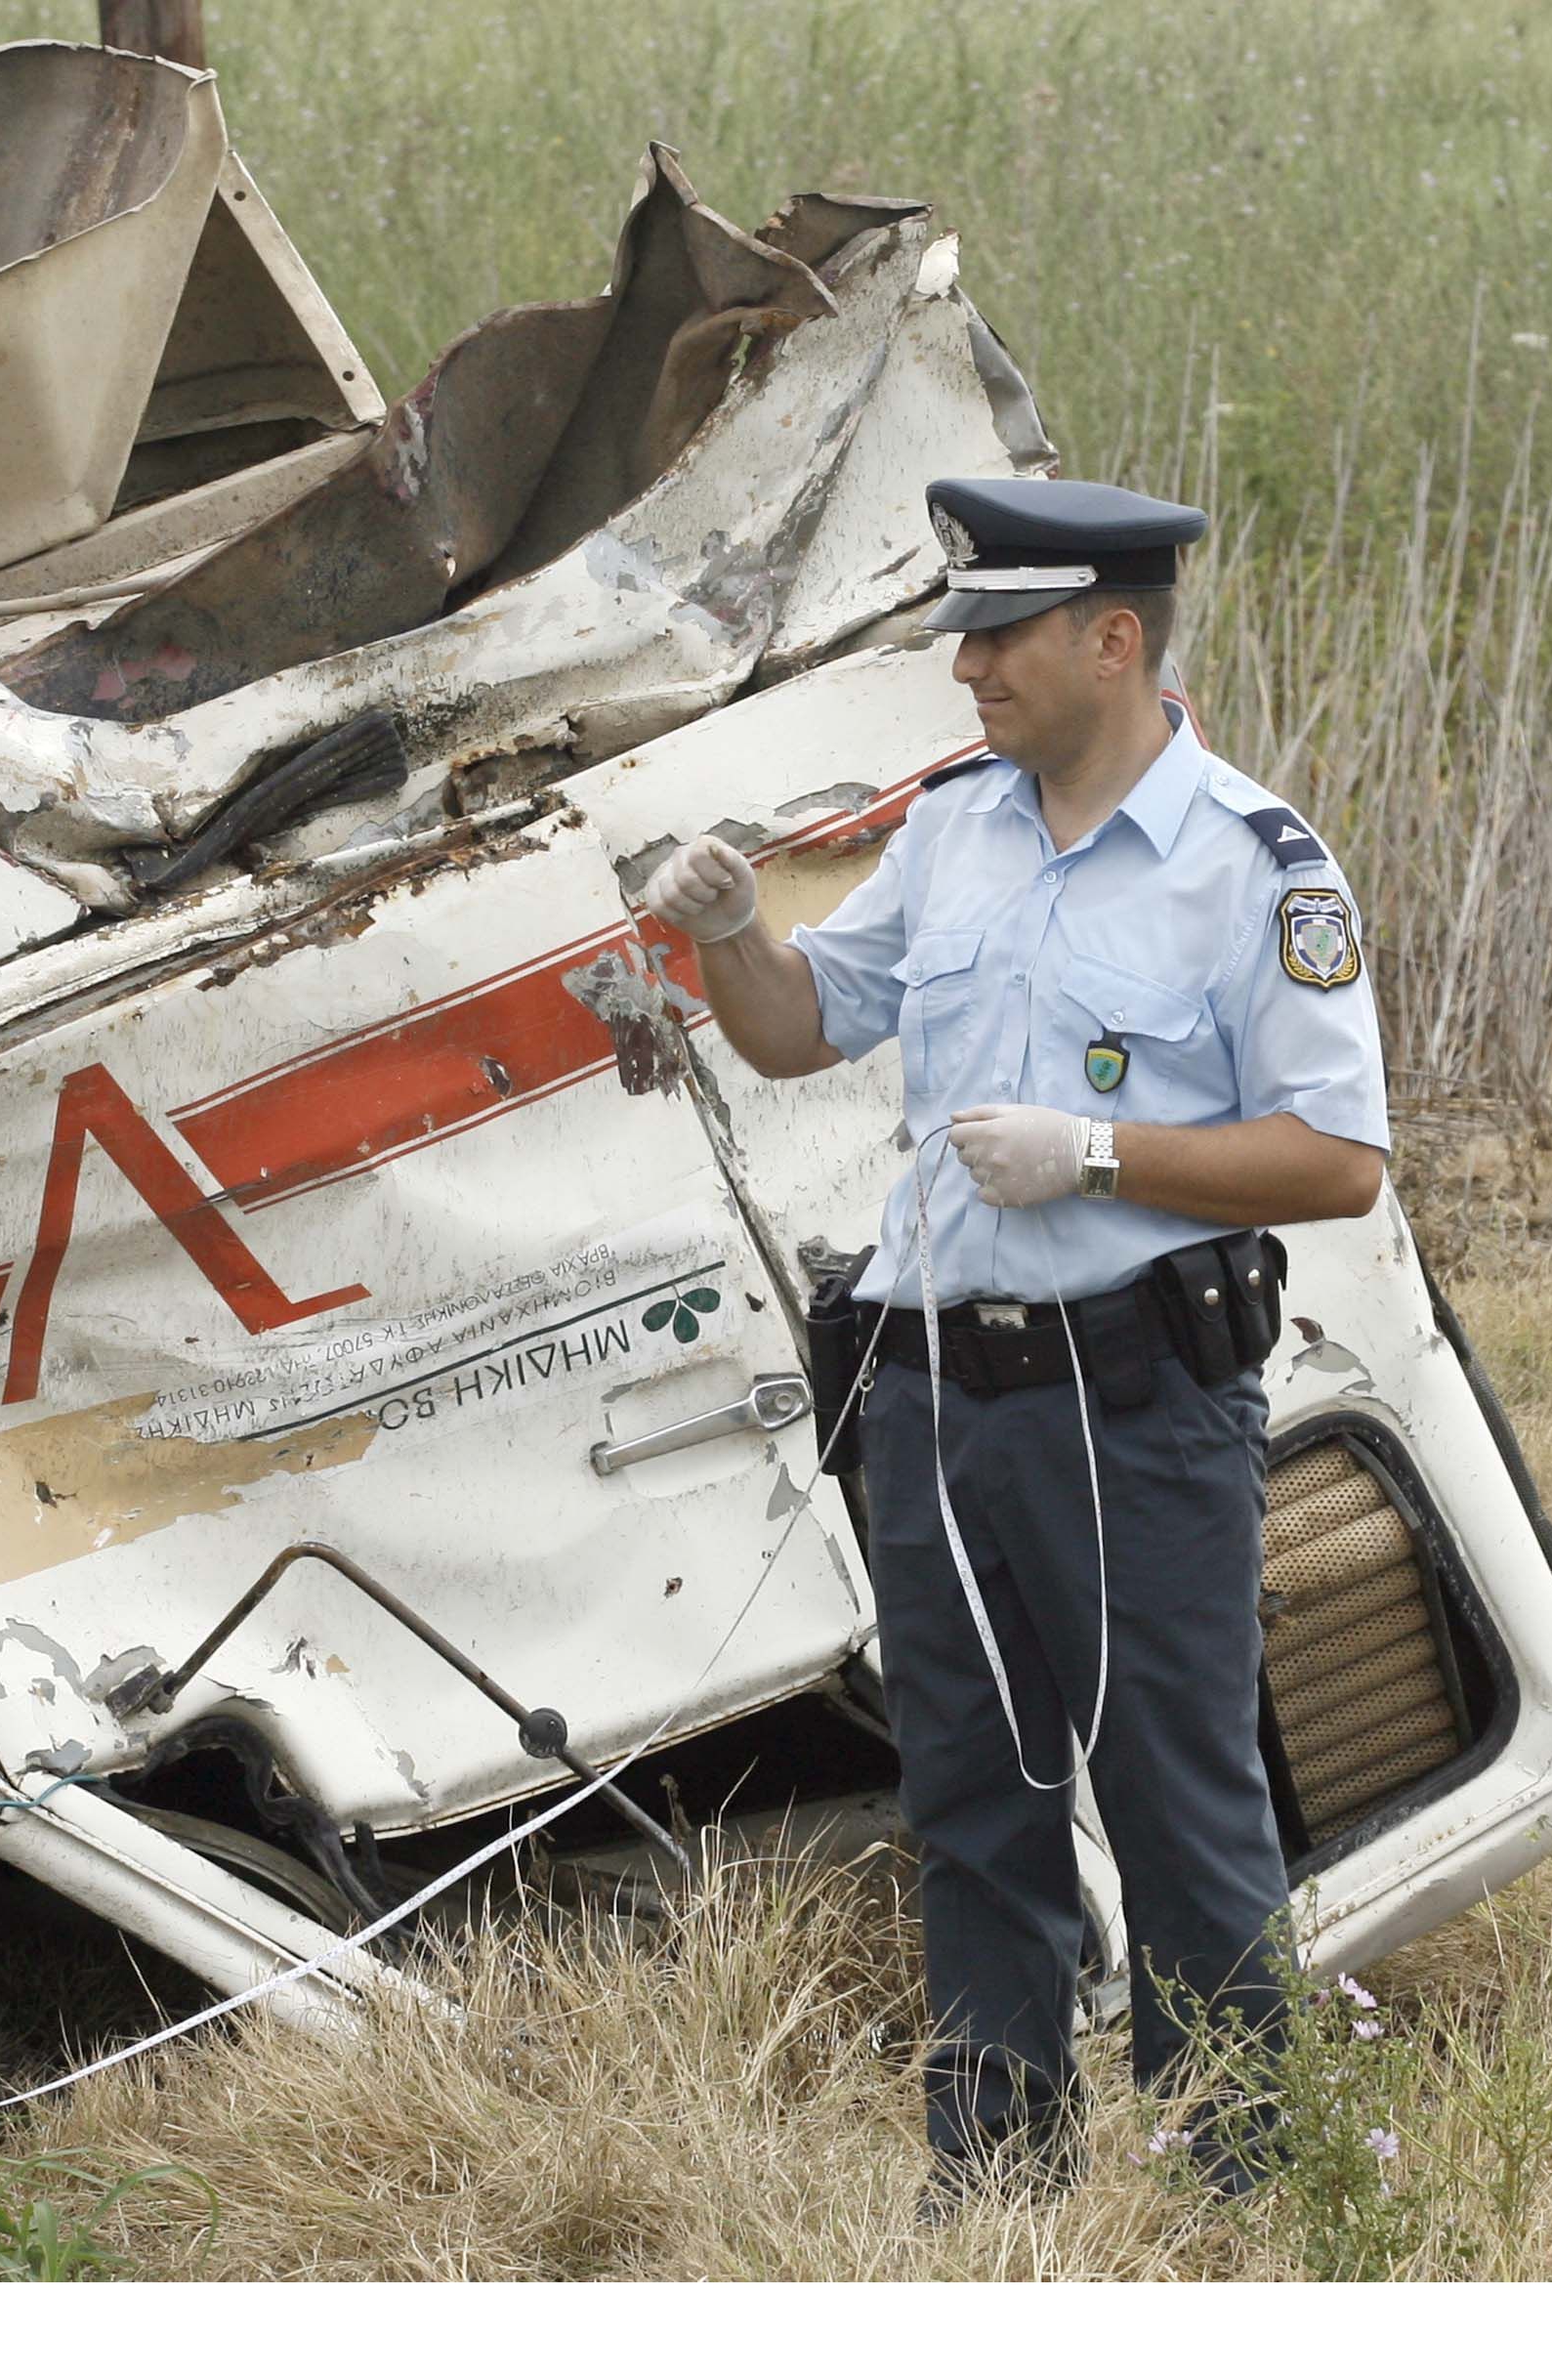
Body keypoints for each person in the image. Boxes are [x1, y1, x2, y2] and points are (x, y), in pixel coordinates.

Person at [639, 476, 1392, 2210]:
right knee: (971, 1802)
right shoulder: (959, 827)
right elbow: (798, 1033)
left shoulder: (1254, 870)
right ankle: (993, 2190)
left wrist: (1105, 1157)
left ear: (1112, 639)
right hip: (932, 1402)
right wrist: (731, 931)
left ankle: (1243, 2194)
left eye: (998, 637)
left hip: (1136, 1408)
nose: (965, 671)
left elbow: (1340, 1162)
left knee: (1180, 1809)